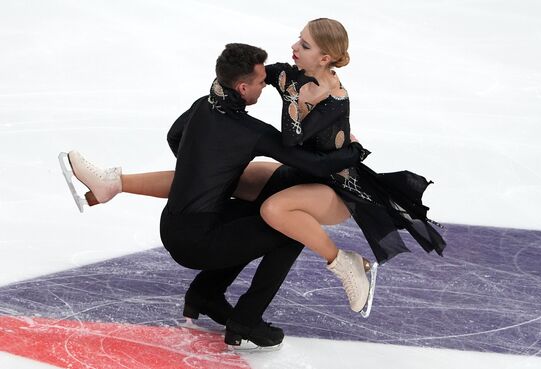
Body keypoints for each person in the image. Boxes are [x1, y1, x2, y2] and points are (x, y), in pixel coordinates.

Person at [62, 18, 446, 319]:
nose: (294, 47)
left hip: (332, 184)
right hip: (302, 170)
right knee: (226, 173)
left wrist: (352, 154)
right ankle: (114, 182)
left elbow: (296, 144)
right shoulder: (289, 74)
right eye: (298, 39)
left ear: (325, 58)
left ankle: (345, 264)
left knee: (274, 211)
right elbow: (249, 75)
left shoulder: (335, 101)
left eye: (304, 44)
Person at [60, 42, 368, 349]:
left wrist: (206, 170)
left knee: (255, 215)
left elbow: (174, 136)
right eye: (261, 82)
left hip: (173, 226)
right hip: (200, 243)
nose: (266, 86)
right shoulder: (252, 131)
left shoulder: (203, 105)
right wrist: (352, 153)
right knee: (291, 230)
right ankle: (247, 320)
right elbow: (313, 164)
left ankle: (205, 295)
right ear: (243, 87)